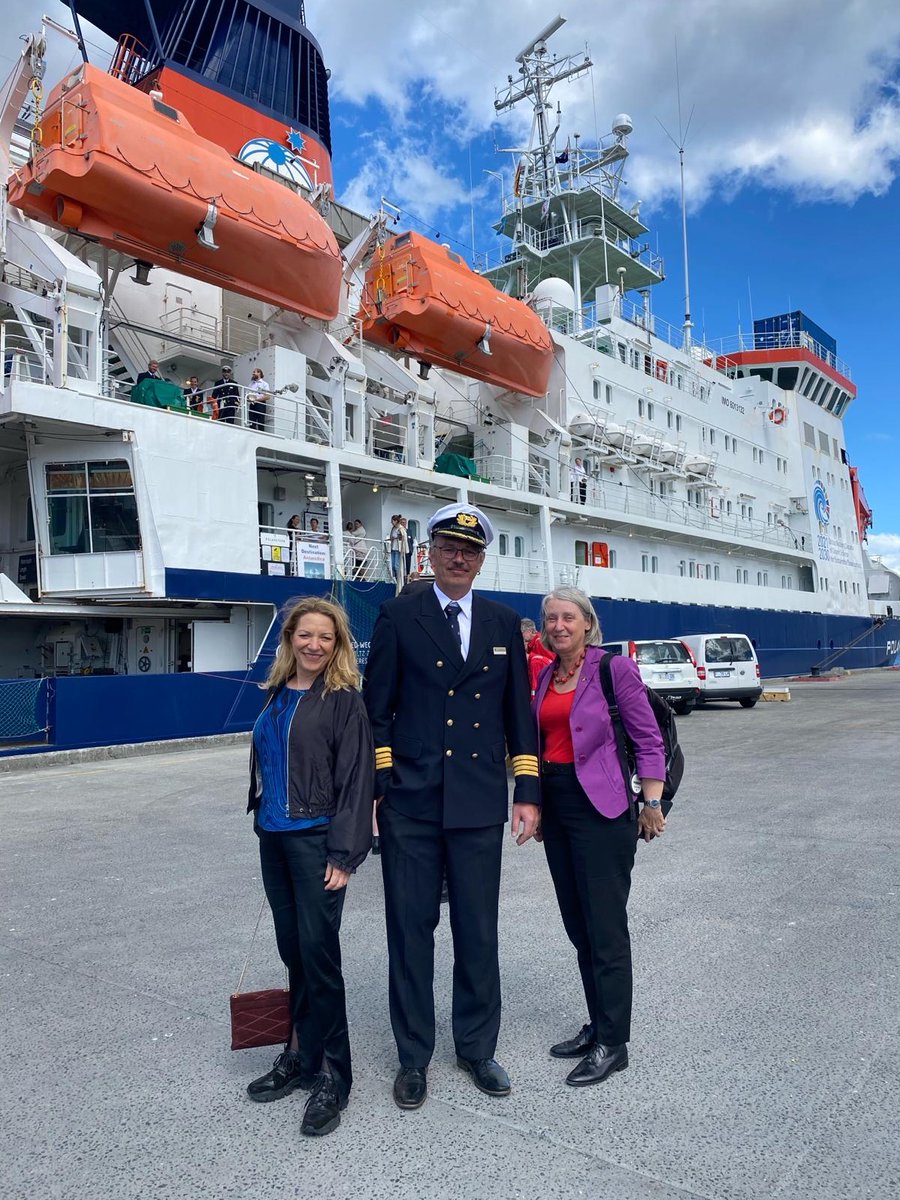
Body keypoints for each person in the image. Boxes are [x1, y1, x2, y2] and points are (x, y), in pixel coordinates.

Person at [363, 503, 540, 1111]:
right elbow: (376, 709)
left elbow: (520, 713)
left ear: (481, 560)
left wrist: (528, 794)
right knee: (410, 930)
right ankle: (413, 1056)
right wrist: (383, 787)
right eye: (447, 548)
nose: (458, 558)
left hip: (478, 800)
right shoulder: (397, 615)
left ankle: (476, 1047)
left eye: (469, 551)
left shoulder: (500, 621)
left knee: (477, 929)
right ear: (430, 553)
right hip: (411, 798)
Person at [245, 596, 374, 1136]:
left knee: (320, 958)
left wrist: (344, 855)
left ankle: (334, 1076)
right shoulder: (276, 694)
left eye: (325, 637)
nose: (314, 645)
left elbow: (357, 782)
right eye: (305, 636)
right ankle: (299, 1055)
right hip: (273, 838)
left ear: (337, 643)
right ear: (290, 639)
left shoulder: (344, 700)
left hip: (316, 841)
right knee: (293, 950)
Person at [532, 586, 665, 1088]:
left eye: (568, 617)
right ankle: (599, 1023)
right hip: (560, 806)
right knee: (578, 924)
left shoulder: (614, 670)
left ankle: (615, 1042)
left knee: (606, 928)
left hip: (603, 810)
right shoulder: (546, 674)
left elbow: (648, 737)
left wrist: (651, 802)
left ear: (587, 623)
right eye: (550, 619)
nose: (558, 626)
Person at [521, 617, 554, 695]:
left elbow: (547, 663)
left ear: (529, 631)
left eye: (522, 632)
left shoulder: (539, 642)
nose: (521, 636)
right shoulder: (533, 643)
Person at [387, 514, 407, 584]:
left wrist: (396, 538)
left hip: (398, 549)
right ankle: (395, 580)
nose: (392, 522)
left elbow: (403, 537)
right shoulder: (393, 528)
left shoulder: (401, 528)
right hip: (393, 548)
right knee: (392, 566)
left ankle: (399, 580)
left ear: (396, 521)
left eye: (392, 521)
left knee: (396, 565)